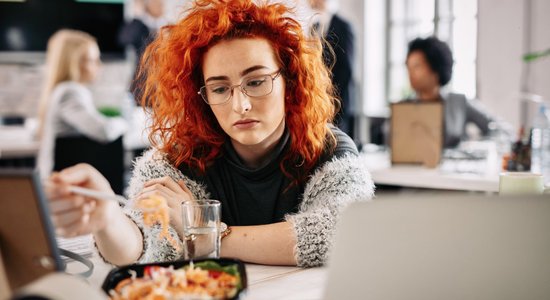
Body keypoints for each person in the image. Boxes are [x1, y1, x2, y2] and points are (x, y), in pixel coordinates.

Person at [45, 0, 374, 268]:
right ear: (200, 95)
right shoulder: (177, 159)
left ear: (289, 83)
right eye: (219, 88)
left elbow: (343, 233)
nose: (240, 104)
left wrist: (204, 235)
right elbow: (144, 241)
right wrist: (107, 221)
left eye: (256, 82)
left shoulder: (328, 148)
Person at [37, 29, 128, 193]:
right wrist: (124, 122)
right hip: (61, 185)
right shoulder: (70, 92)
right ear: (74, 62)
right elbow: (103, 131)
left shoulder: (61, 90)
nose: (99, 65)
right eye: (92, 60)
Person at [405, 36, 496, 148]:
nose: (410, 74)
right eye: (408, 68)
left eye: (417, 67)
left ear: (435, 68)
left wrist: (477, 146)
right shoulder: (403, 107)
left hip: (456, 164)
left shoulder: (458, 102)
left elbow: (496, 127)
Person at [308, 0, 356, 139]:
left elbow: (347, 69)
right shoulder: (314, 27)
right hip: (317, 104)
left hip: (338, 104)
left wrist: (332, 100)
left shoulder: (344, 26)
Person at [118, 0, 167, 103]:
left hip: (164, 85)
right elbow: (124, 39)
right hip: (143, 86)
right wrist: (137, 16)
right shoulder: (140, 26)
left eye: (162, 3)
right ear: (147, 6)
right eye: (157, 3)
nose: (162, 6)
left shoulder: (167, 26)